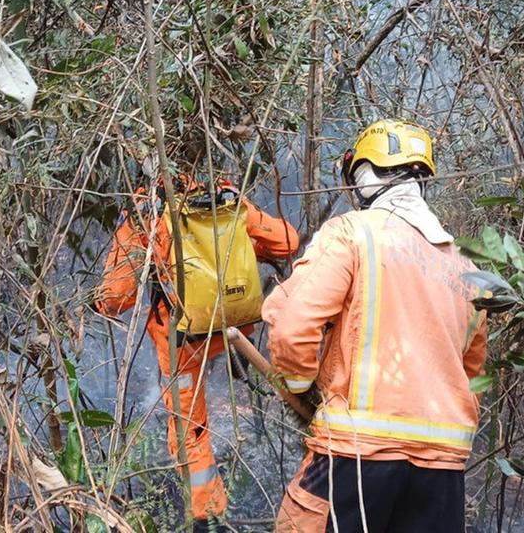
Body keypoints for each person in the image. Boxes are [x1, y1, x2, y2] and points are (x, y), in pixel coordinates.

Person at [262, 119, 487, 532]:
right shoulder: (466, 268)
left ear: (364, 174)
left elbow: (293, 325)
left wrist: (298, 387)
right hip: (442, 469)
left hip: (357, 457)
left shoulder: (353, 234)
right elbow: (471, 371)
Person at [95, 176, 299, 531]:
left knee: (189, 428)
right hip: (235, 330)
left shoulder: (149, 209)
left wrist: (98, 303)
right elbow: (287, 241)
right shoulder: (225, 198)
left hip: (184, 340)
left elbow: (116, 295)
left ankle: (208, 515)